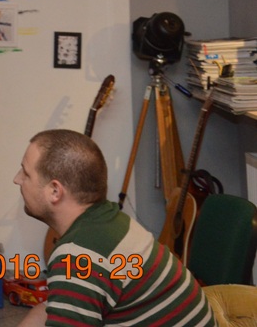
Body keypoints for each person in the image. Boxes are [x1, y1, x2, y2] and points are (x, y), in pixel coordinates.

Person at [13, 129, 216, 327]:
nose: (17, 179)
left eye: (26, 174)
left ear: (55, 191)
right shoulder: (111, 219)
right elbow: (53, 307)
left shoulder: (77, 255)